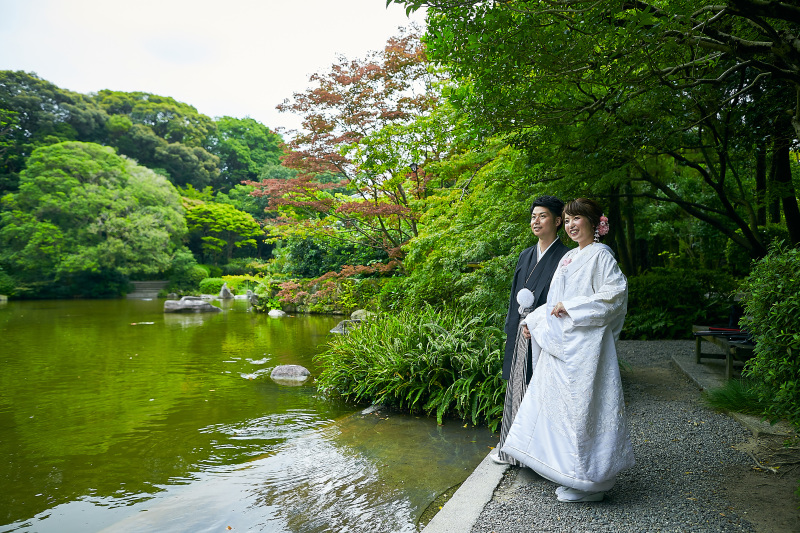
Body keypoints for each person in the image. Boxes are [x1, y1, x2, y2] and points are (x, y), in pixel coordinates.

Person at [501, 198, 634, 502]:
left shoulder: (601, 256)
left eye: (578, 219)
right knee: (561, 412)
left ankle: (592, 481)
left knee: (586, 410)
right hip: (565, 346)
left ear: (594, 223)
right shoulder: (568, 259)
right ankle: (571, 473)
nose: (572, 225)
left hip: (589, 349)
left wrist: (570, 307)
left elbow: (614, 295)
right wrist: (534, 321)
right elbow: (553, 302)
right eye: (568, 219)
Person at [490, 195, 569, 466]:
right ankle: (511, 446)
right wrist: (512, 328)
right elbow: (514, 295)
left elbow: (562, 299)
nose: (536, 221)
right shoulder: (526, 254)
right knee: (516, 387)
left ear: (558, 221)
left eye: (543, 216)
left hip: (543, 332)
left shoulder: (565, 257)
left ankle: (537, 453)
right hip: (521, 332)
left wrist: (538, 325)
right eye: (534, 216)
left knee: (540, 389)